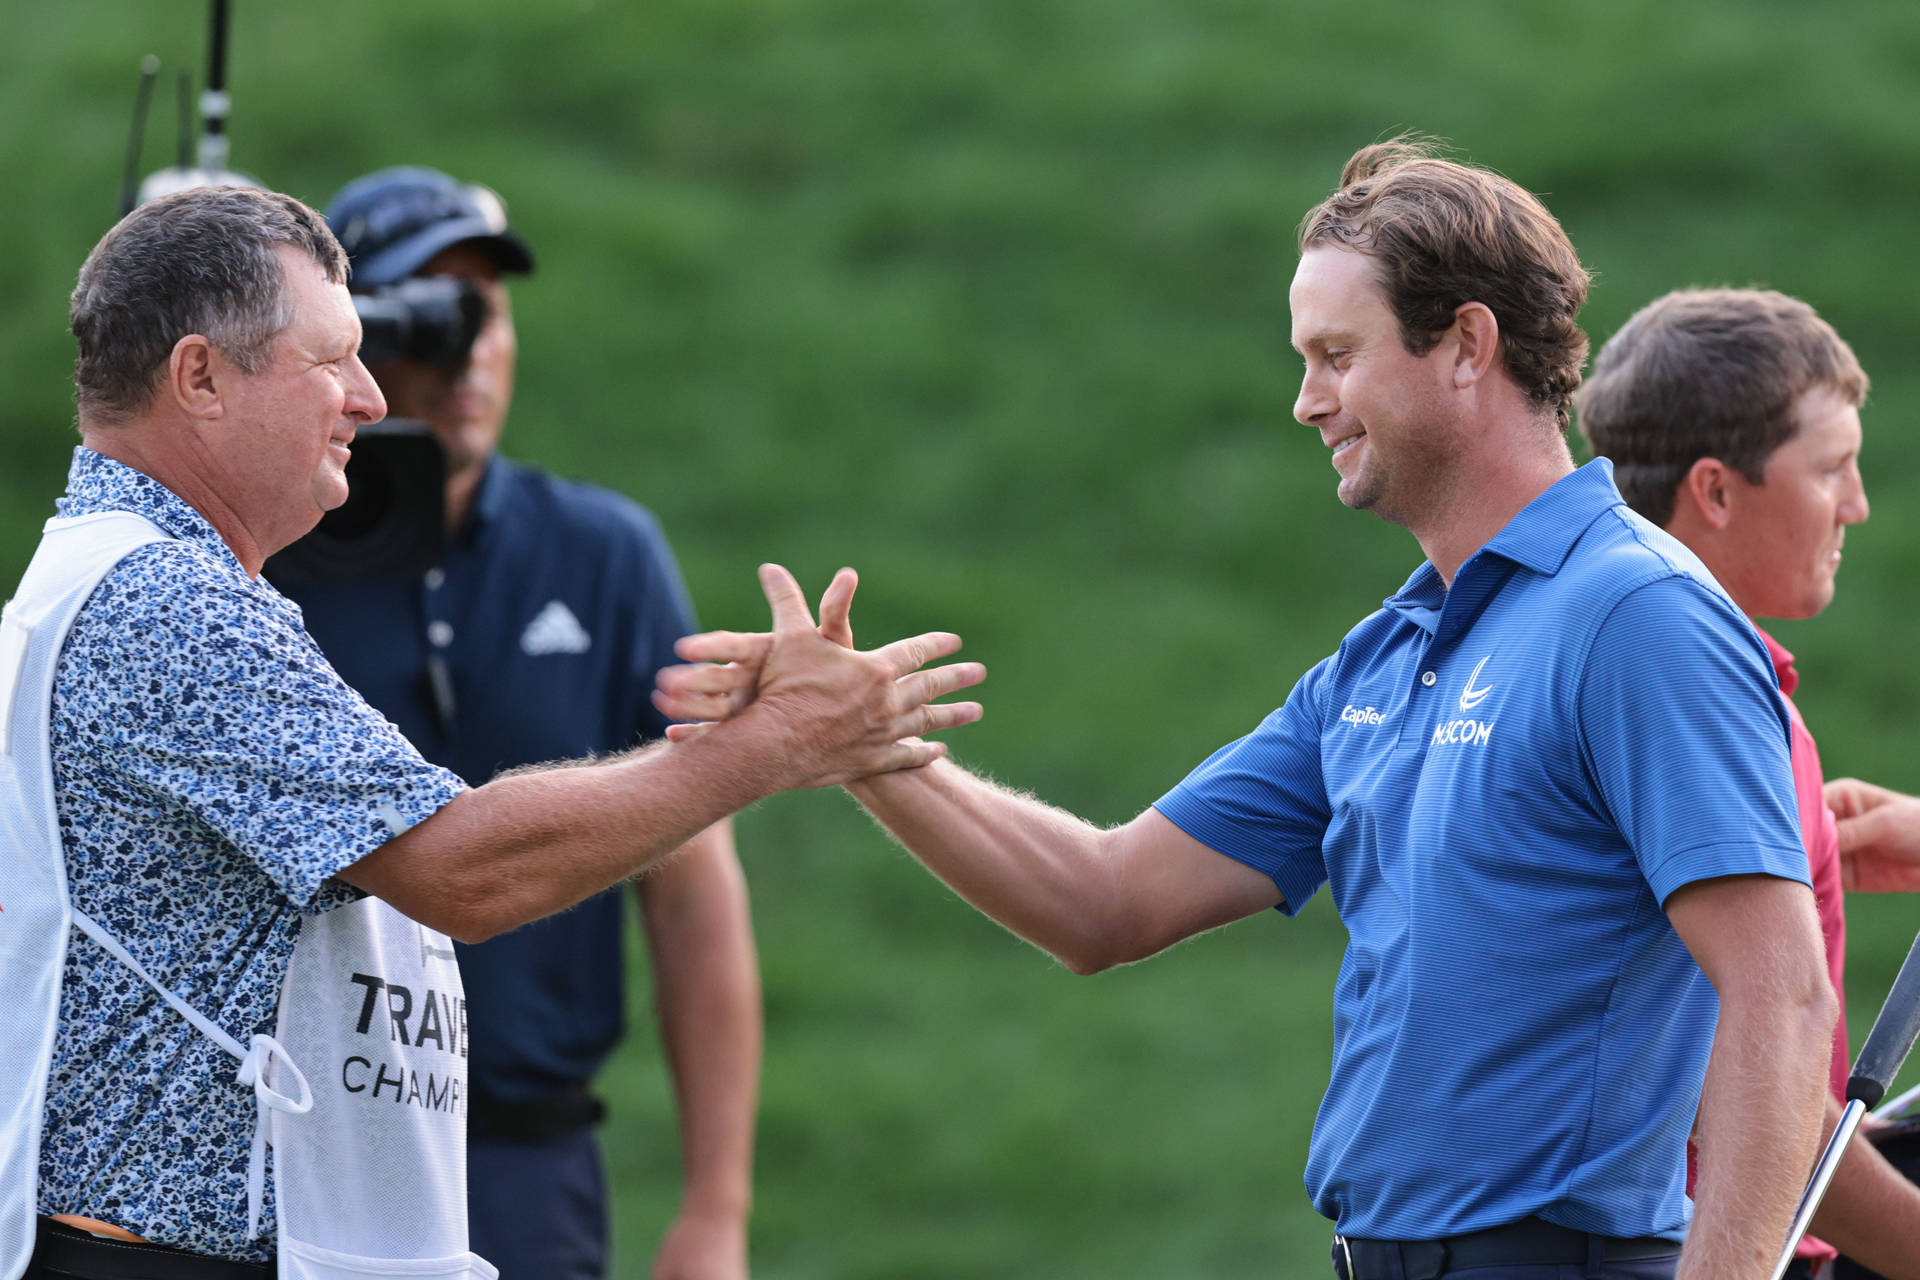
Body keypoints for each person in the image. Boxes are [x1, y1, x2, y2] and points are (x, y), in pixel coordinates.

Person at [658, 139, 1836, 1280]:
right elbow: (1103, 900)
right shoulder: (1384, 655)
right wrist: (866, 744)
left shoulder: (1634, 613)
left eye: (1335, 353)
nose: (1306, 401)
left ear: (1468, 345)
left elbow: (1780, 997)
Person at [2, 185, 983, 1280]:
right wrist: (777, 739)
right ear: (199, 378)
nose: (372, 400)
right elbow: (461, 868)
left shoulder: (141, 577)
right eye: (333, 360)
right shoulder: (164, 603)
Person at [266, 165, 760, 1280]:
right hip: (298, 1145)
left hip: (529, 1159)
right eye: (432, 313)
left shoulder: (604, 553)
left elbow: (692, 892)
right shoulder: (260, 559)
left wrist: (715, 1208)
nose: (470, 349)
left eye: (489, 312)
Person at [1577, 286, 1920, 1280]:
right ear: (1717, 492)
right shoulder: (1710, 701)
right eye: (1832, 470)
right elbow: (1739, 1067)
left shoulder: (1636, 663)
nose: (1857, 504)